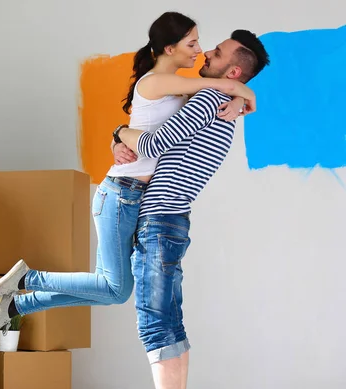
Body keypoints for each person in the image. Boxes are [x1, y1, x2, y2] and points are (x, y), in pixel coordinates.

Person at [0, 11, 256, 347]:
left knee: (113, 290)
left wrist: (240, 96)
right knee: (114, 288)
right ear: (170, 49)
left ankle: (18, 302)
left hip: (131, 195)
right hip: (121, 193)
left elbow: (212, 93)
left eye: (204, 45)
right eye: (193, 43)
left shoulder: (184, 91)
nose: (200, 50)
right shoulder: (158, 82)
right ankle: (27, 279)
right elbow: (218, 86)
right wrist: (241, 93)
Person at [111, 30, 270, 389]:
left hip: (159, 220)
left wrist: (120, 131)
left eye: (218, 52)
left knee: (155, 324)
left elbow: (154, 143)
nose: (208, 53)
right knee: (170, 322)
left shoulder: (206, 99)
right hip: (173, 221)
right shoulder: (224, 105)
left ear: (232, 72)